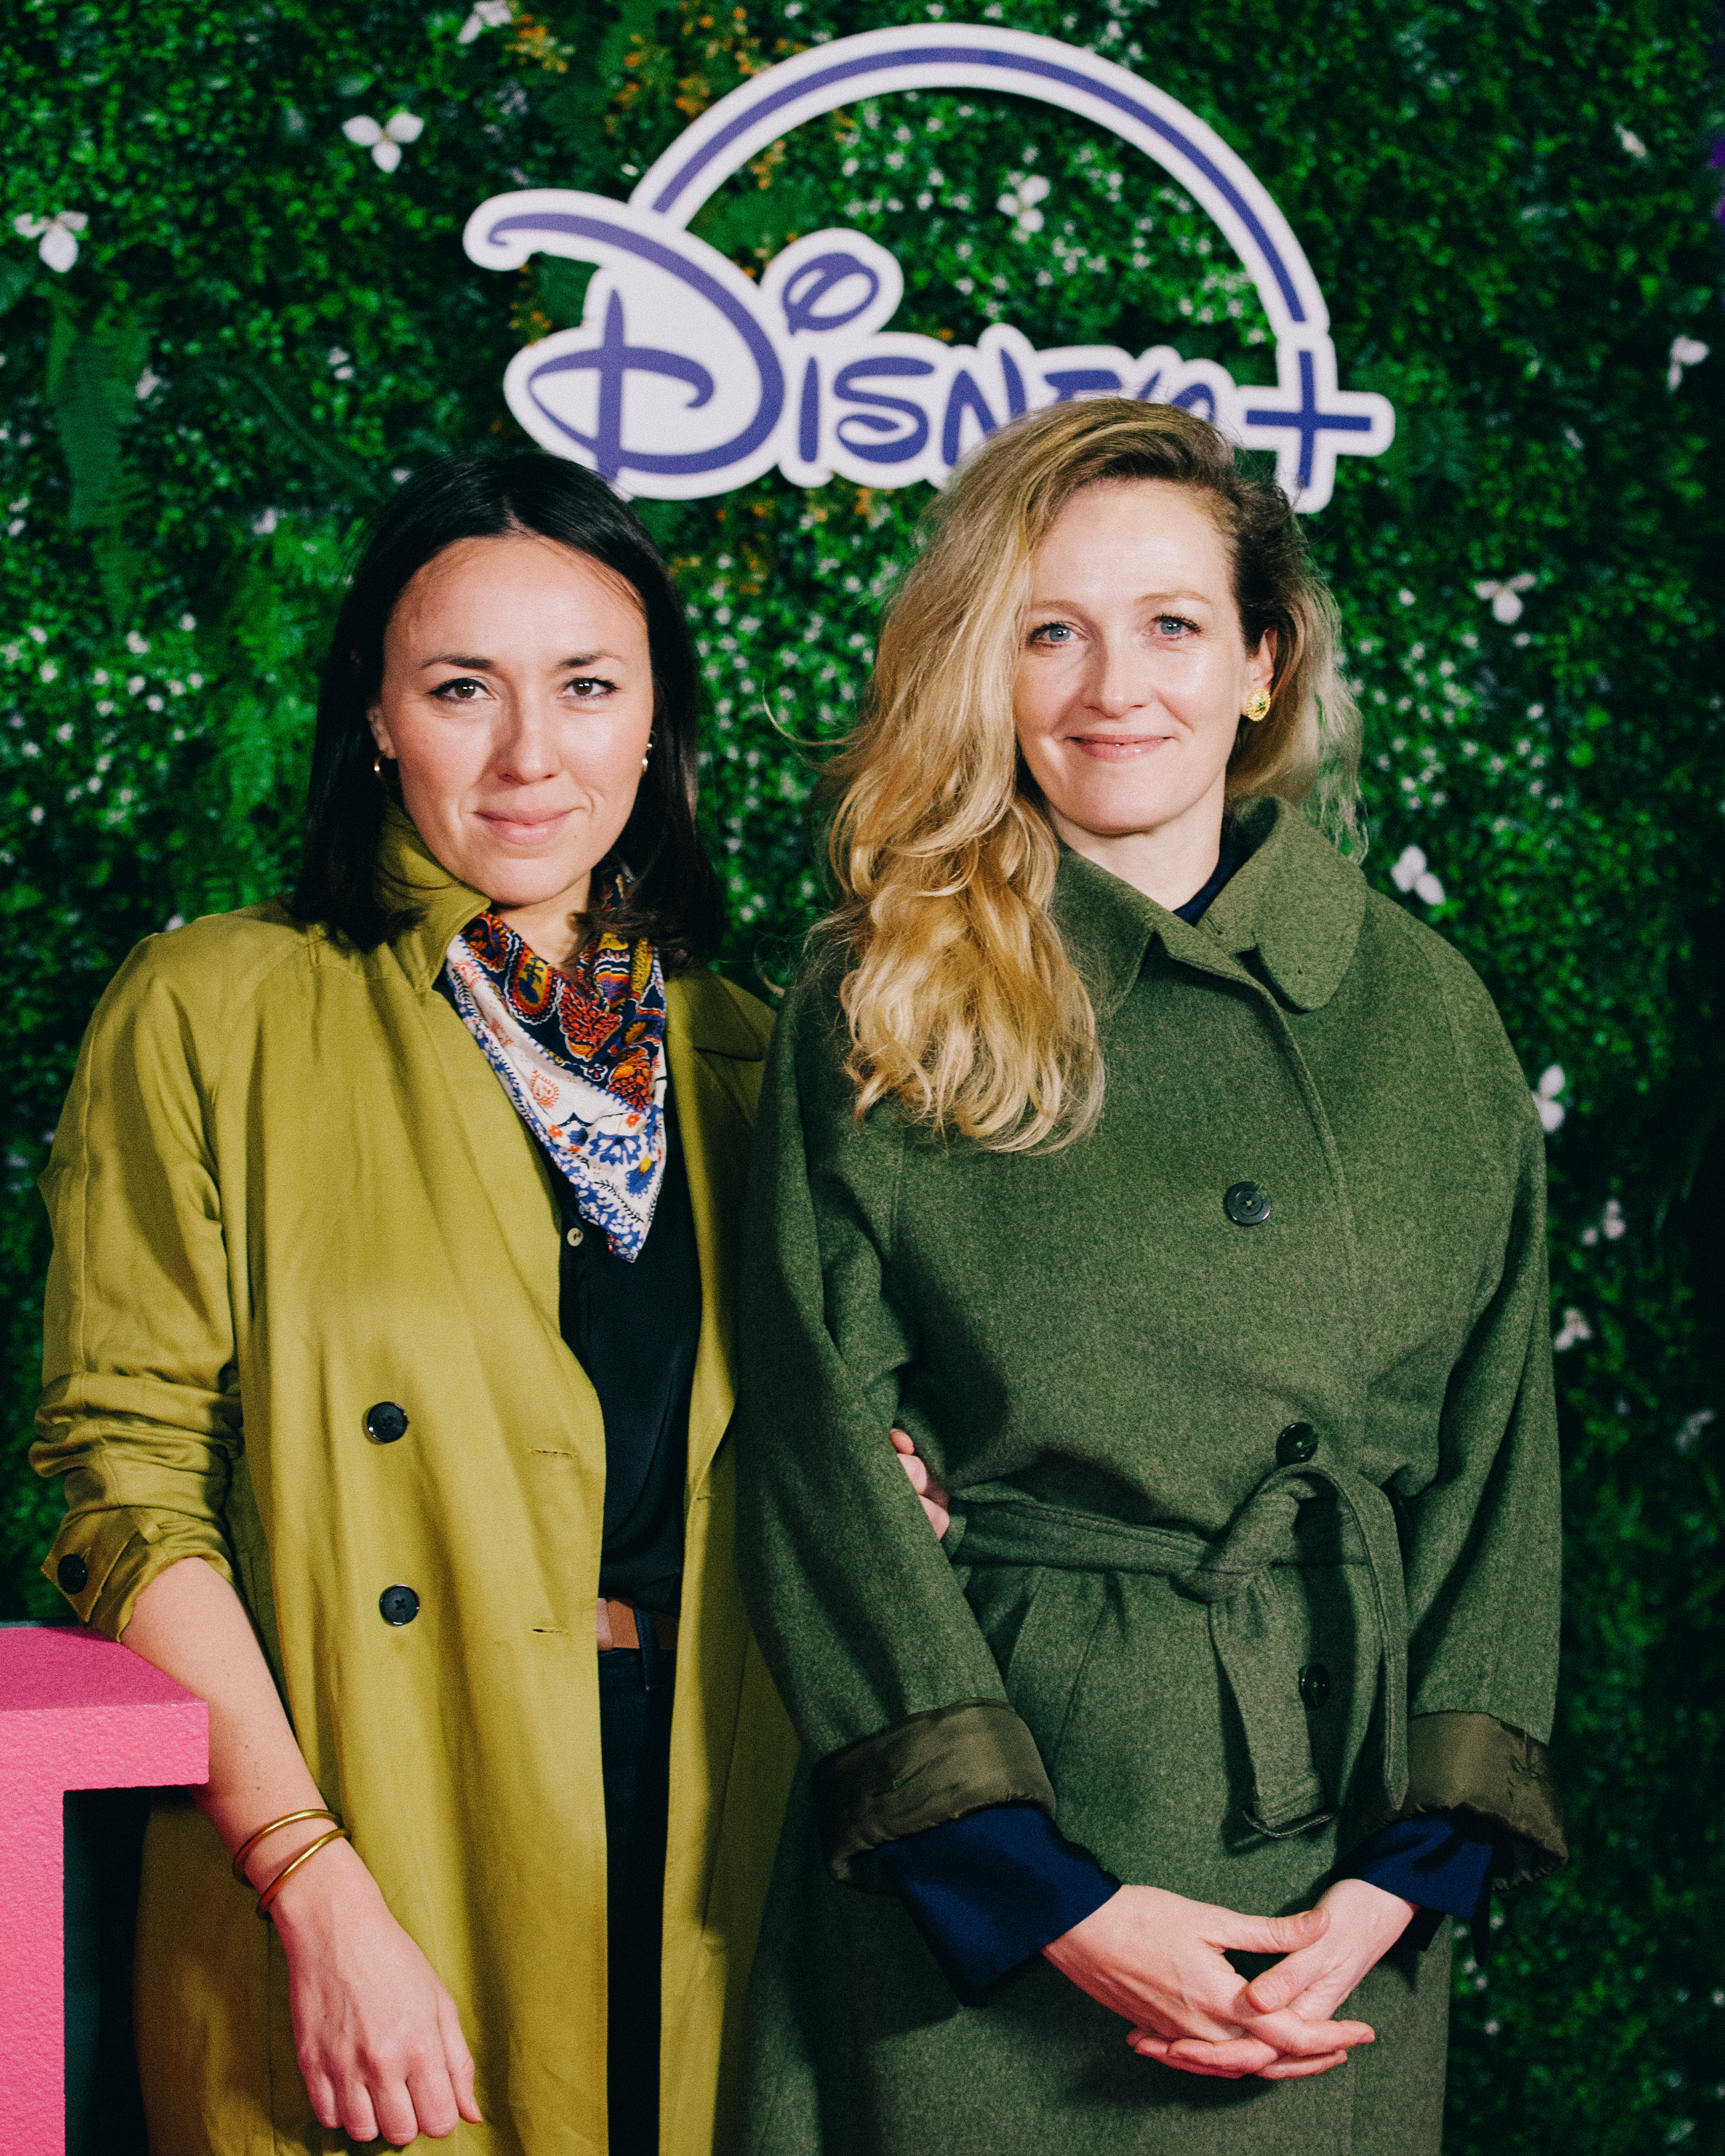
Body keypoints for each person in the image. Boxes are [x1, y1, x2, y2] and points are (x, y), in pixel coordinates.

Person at [733, 399, 1567, 2155]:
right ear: (986, 666)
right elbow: (822, 1467)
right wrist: (1053, 1900)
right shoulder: (882, 1000)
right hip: (1002, 1874)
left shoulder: (1432, 1014)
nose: (1116, 687)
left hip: (1338, 1880)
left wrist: (1404, 1877)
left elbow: (1500, 1460)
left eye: (1174, 624)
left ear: (1264, 662)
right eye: (1051, 630)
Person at [31, 453, 800, 2156]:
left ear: (657, 721)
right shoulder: (215, 1009)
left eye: (587, 686)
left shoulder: (751, 1050)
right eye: (463, 688)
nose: (531, 755)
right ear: (378, 716)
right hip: (370, 1826)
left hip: (711, 1855)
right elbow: (128, 1491)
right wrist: (314, 1884)